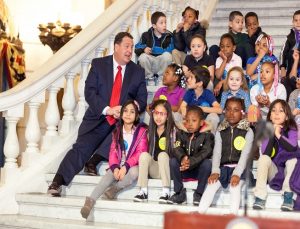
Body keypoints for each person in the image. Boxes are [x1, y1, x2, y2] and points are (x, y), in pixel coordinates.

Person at [47, 32, 148, 196]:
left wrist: (126, 110)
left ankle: (95, 160)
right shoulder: (99, 65)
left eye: (132, 47)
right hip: (97, 116)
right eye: (127, 46)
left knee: (123, 134)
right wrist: (108, 109)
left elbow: (142, 100)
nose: (130, 51)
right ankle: (57, 181)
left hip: (120, 122)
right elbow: (90, 92)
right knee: (81, 148)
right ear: (116, 46)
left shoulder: (137, 72)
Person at [80, 100, 148, 219]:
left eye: (132, 112)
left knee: (134, 172)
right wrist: (115, 167)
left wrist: (126, 166)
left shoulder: (141, 132)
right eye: (125, 111)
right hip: (120, 164)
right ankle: (90, 201)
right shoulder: (117, 131)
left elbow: (140, 153)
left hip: (133, 165)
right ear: (121, 114)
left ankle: (115, 189)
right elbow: (113, 152)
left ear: (137, 116)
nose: (128, 114)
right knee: (109, 175)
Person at [199, 97, 254, 215]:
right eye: (228, 109)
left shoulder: (248, 131)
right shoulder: (220, 130)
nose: (231, 113)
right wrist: (215, 171)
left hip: (241, 169)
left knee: (235, 186)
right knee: (211, 185)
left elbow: (245, 156)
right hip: (224, 168)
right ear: (224, 111)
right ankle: (200, 212)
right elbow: (217, 153)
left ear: (242, 113)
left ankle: (232, 214)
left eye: (236, 110)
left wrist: (237, 174)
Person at [253, 99, 300, 211]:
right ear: (269, 116)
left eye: (281, 111)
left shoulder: (292, 129)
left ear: (287, 116)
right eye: (273, 111)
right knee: (264, 158)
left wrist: (278, 134)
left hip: (289, 173)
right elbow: (267, 153)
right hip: (274, 172)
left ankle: (288, 195)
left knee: (293, 159)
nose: (277, 113)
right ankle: (260, 196)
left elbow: (293, 147)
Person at [168, 105, 214, 205]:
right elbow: (176, 147)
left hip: (198, 171)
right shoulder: (181, 133)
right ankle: (179, 193)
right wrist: (183, 158)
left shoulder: (207, 135)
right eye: (187, 120)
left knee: (207, 163)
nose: (189, 124)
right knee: (173, 161)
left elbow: (206, 151)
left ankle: (199, 193)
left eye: (193, 121)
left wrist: (191, 161)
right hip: (184, 169)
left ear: (201, 122)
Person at [133, 100, 176, 203]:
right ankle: (143, 191)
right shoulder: (149, 131)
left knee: (163, 155)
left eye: (162, 114)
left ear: (168, 115)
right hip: (156, 169)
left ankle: (166, 192)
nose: (158, 117)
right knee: (144, 155)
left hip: (168, 169)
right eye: (156, 113)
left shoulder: (174, 131)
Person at [135, 11, 174, 86]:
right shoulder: (146, 35)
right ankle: (149, 78)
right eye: (161, 23)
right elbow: (137, 48)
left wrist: (156, 50)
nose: (164, 25)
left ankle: (161, 77)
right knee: (143, 57)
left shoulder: (168, 36)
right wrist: (144, 49)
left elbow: (171, 49)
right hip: (150, 63)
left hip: (162, 64)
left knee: (167, 55)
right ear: (154, 26)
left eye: (165, 22)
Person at [180, 66, 221, 134]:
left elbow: (219, 109)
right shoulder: (189, 92)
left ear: (200, 83)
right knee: (175, 115)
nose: (188, 80)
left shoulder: (207, 94)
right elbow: (182, 106)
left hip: (204, 123)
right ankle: (183, 137)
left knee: (214, 116)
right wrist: (185, 115)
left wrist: (200, 108)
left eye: (191, 77)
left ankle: (208, 138)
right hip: (190, 121)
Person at [214, 33, 242, 98]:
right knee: (216, 81)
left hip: (234, 84)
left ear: (234, 48)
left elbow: (236, 77)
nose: (225, 49)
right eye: (222, 46)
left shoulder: (237, 59)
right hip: (223, 87)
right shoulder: (219, 59)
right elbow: (218, 76)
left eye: (228, 46)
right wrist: (224, 60)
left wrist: (221, 82)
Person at [280, 10, 300, 97]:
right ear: (292, 22)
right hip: (292, 70)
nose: (298, 23)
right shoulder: (289, 37)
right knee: (286, 82)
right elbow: (282, 53)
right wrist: (283, 67)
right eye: (296, 20)